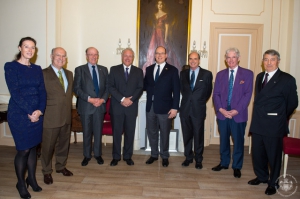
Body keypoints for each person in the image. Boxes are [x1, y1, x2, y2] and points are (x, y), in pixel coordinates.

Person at [248, 49, 298, 195]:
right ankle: (262, 176)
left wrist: (280, 116)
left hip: (274, 125)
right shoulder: (259, 77)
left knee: (274, 156)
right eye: (266, 59)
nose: (269, 63)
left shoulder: (287, 79)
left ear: (278, 61)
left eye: (272, 59)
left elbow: (292, 103)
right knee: (258, 154)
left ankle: (273, 182)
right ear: (262, 61)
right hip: (258, 123)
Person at [4, 37, 46, 199]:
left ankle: (32, 180)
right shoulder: (11, 67)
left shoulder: (37, 68)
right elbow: (15, 93)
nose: (29, 50)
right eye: (26, 46)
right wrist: (30, 111)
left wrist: (39, 111)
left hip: (37, 114)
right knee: (24, 149)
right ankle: (21, 183)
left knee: (34, 148)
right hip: (19, 114)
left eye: (33, 47)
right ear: (19, 48)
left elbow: (42, 92)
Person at [212, 47, 253, 178]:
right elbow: (216, 94)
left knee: (238, 141)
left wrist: (236, 110)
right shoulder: (220, 74)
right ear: (225, 59)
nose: (231, 60)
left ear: (238, 58)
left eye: (233, 57)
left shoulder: (247, 74)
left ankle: (237, 166)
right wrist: (221, 109)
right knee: (223, 140)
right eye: (228, 57)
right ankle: (224, 163)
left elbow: (247, 95)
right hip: (222, 114)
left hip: (238, 115)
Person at [41, 47, 74, 185]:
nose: (61, 58)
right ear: (51, 56)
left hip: (66, 116)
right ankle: (47, 171)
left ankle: (60, 166)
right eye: (58, 55)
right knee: (48, 147)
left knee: (63, 145)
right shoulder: (43, 73)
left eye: (64, 56)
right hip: (51, 117)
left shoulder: (69, 74)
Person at [144, 46, 180, 167]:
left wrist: (175, 108)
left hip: (166, 108)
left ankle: (165, 156)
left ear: (166, 55)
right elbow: (145, 86)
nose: (159, 55)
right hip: (150, 107)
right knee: (152, 132)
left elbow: (176, 90)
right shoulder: (149, 69)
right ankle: (154, 154)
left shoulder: (173, 70)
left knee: (165, 133)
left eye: (162, 53)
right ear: (154, 55)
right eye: (157, 53)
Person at [108, 48, 144, 166]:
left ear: (133, 58)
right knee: (117, 133)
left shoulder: (138, 71)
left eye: (130, 56)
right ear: (122, 57)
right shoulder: (114, 70)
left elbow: (140, 88)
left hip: (131, 107)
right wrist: (123, 99)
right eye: (125, 55)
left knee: (130, 133)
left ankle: (128, 156)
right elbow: (111, 87)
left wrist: (131, 100)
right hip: (117, 107)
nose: (127, 58)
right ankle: (116, 157)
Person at [73, 47, 108, 166]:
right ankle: (87, 155)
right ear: (86, 56)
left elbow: (107, 88)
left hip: (99, 106)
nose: (93, 56)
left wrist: (102, 99)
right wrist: (90, 99)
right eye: (90, 54)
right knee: (87, 132)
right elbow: (76, 88)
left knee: (98, 132)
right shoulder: (80, 70)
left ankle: (97, 154)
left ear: (98, 56)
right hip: (86, 106)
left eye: (95, 54)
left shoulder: (104, 69)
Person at [179, 52, 212, 169]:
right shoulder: (182, 74)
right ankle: (188, 157)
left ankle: (198, 159)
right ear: (188, 60)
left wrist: (198, 101)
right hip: (185, 109)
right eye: (190, 59)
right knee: (187, 135)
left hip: (198, 110)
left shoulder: (207, 74)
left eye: (195, 59)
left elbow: (208, 92)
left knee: (198, 135)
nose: (193, 61)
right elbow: (183, 90)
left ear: (199, 60)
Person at [142, 0, 180, 74]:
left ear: (163, 5)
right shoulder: (154, 14)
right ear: (157, 5)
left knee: (163, 48)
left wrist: (165, 38)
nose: (160, 5)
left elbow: (167, 26)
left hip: (161, 34)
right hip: (155, 33)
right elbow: (153, 25)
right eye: (159, 4)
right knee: (152, 49)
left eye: (161, 4)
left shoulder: (165, 14)